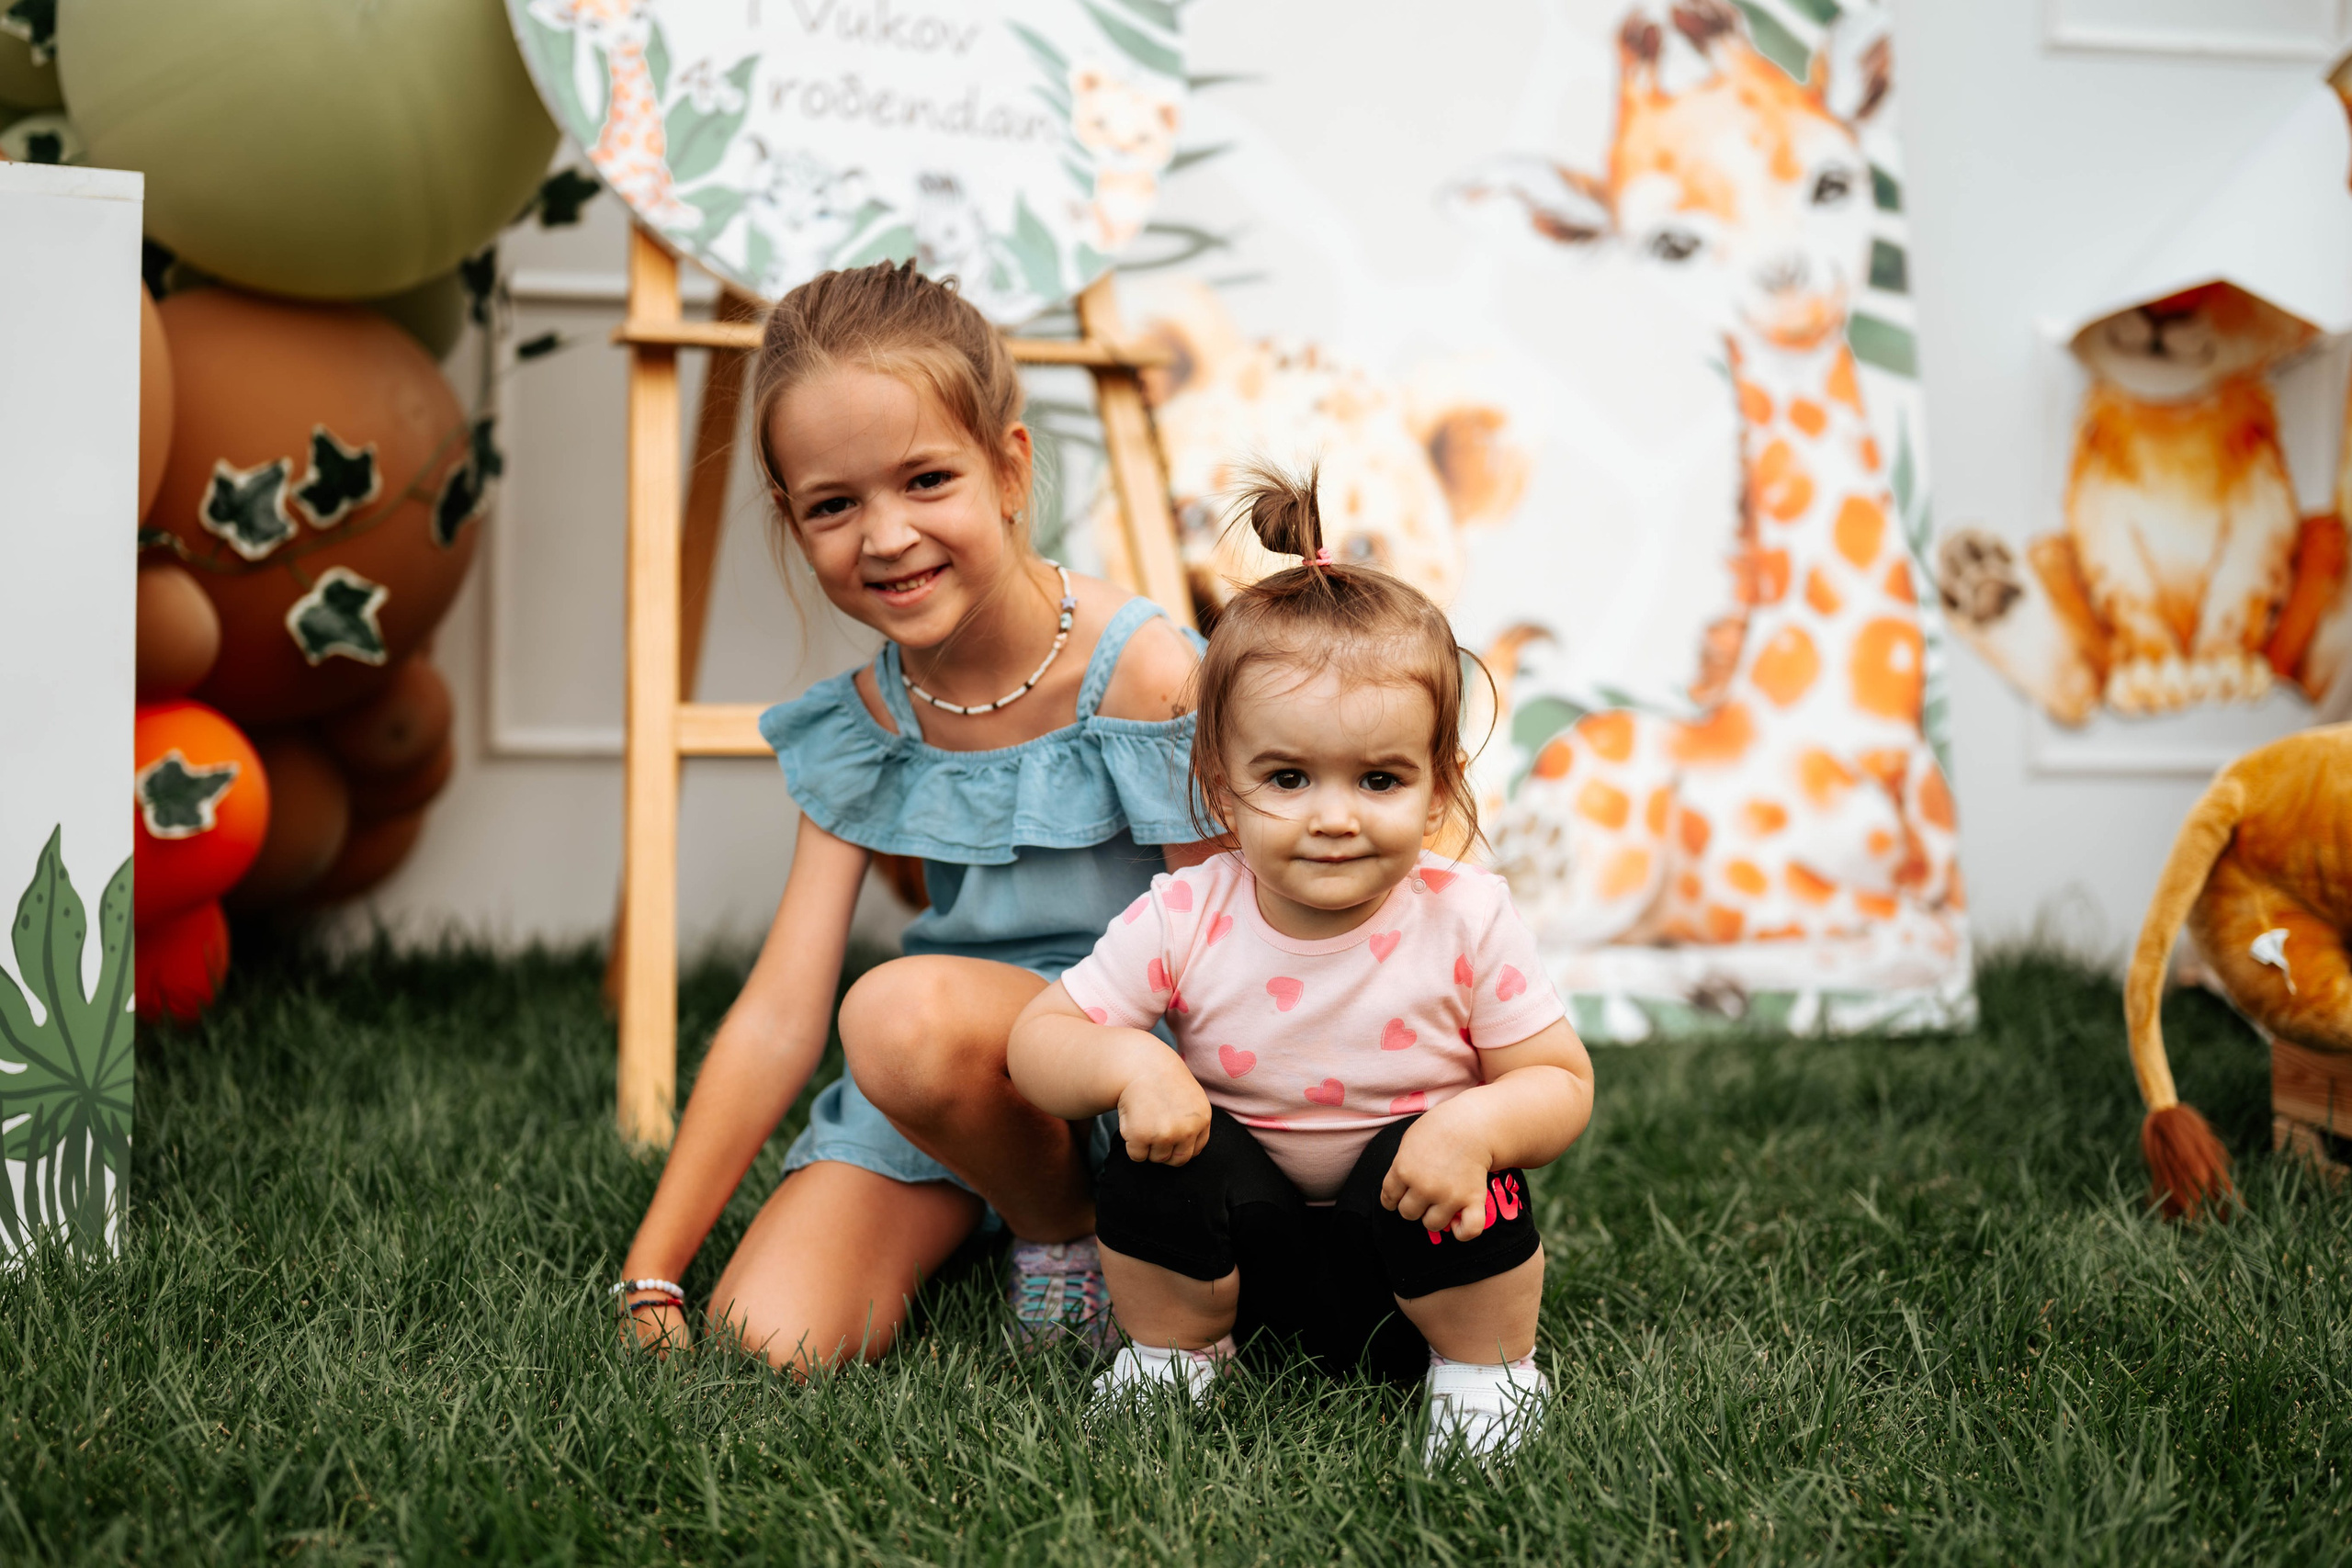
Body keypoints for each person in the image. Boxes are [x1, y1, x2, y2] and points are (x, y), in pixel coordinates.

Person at [614, 261, 1212, 1371]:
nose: (885, 536)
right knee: (767, 1340)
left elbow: (1235, 950)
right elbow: (780, 1013)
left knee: (897, 1011)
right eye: (834, 505)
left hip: (1147, 1074)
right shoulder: (866, 723)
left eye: (926, 480)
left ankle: (1072, 1225)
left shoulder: (1144, 672)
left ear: (1009, 468)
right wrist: (654, 1268)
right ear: (793, 521)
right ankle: (1034, 1210)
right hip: (946, 1081)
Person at [1006, 468, 1595, 1462]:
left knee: (1474, 1171)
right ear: (1221, 789)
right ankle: (1172, 1356)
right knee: (1158, 1163)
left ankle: (1485, 1372)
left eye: (1379, 779)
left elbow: (1560, 1083)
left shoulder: (1465, 917)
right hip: (1240, 1261)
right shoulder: (1188, 912)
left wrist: (1474, 1125)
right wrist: (1131, 1064)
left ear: (1438, 786)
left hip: (1411, 1244)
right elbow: (1038, 1041)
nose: (1334, 816)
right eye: (1287, 777)